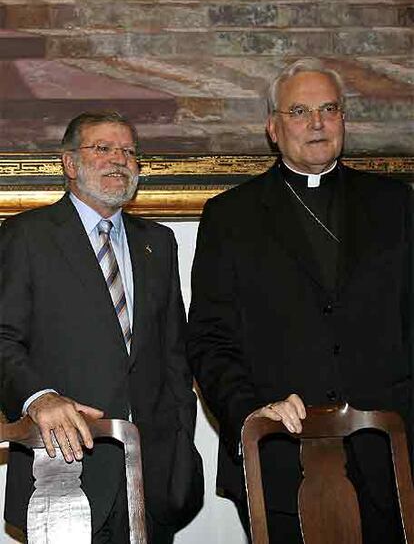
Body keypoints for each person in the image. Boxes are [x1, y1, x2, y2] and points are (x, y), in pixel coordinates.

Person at [188, 58, 413, 543]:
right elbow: (209, 339)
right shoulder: (230, 217)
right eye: (299, 112)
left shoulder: (395, 204)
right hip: (281, 458)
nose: (317, 123)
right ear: (273, 127)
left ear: (343, 120)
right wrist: (253, 411)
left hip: (392, 455)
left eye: (329, 109)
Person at [0, 111, 203, 544]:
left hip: (152, 474)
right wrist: (39, 397)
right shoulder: (26, 237)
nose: (119, 160)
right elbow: (2, 338)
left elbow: (174, 356)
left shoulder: (159, 242)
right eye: (103, 149)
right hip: (62, 468)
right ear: (70, 164)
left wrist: (184, 442)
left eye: (129, 152)